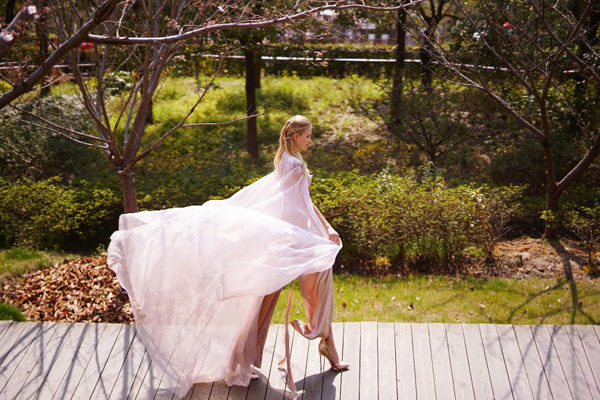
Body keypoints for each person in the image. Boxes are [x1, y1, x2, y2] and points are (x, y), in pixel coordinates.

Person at [106, 115, 349, 399]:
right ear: (295, 136)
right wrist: (320, 231)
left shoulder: (288, 161)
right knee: (268, 297)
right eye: (307, 135)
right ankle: (248, 356)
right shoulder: (293, 165)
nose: (310, 140)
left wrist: (321, 230)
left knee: (280, 294)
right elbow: (300, 204)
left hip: (291, 234)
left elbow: (300, 201)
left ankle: (296, 348)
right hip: (290, 235)